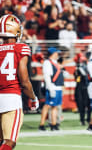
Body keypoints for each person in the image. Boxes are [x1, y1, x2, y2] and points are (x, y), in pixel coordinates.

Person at [0, 15, 38, 150]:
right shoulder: (20, 48)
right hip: (11, 99)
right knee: (9, 141)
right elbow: (24, 80)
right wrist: (33, 98)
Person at [39, 47, 64, 131]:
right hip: (52, 87)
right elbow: (47, 76)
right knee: (47, 105)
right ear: (53, 54)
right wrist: (50, 88)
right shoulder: (47, 62)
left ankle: (54, 124)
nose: (58, 55)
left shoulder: (55, 62)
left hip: (58, 87)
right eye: (57, 53)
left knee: (55, 106)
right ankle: (41, 124)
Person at [73, 52, 91, 126]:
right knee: (81, 104)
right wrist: (77, 70)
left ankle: (88, 119)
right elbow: (76, 76)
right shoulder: (80, 66)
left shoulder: (91, 65)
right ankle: (82, 119)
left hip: (88, 87)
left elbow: (87, 74)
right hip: (81, 87)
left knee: (89, 104)